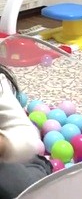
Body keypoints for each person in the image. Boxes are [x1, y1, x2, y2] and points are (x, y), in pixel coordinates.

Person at [0, 65, 52, 199]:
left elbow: (26, 138)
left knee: (28, 191)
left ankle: (39, 166)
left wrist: (3, 144)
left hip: (13, 158)